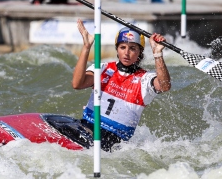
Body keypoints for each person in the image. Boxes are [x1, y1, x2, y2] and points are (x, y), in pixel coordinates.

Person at [72, 19, 171, 152]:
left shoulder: (145, 79)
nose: (126, 53)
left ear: (139, 53)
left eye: (132, 48)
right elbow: (77, 84)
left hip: (114, 141)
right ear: (117, 49)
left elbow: (164, 86)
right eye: (122, 47)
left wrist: (157, 53)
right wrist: (86, 47)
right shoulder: (103, 68)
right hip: (86, 128)